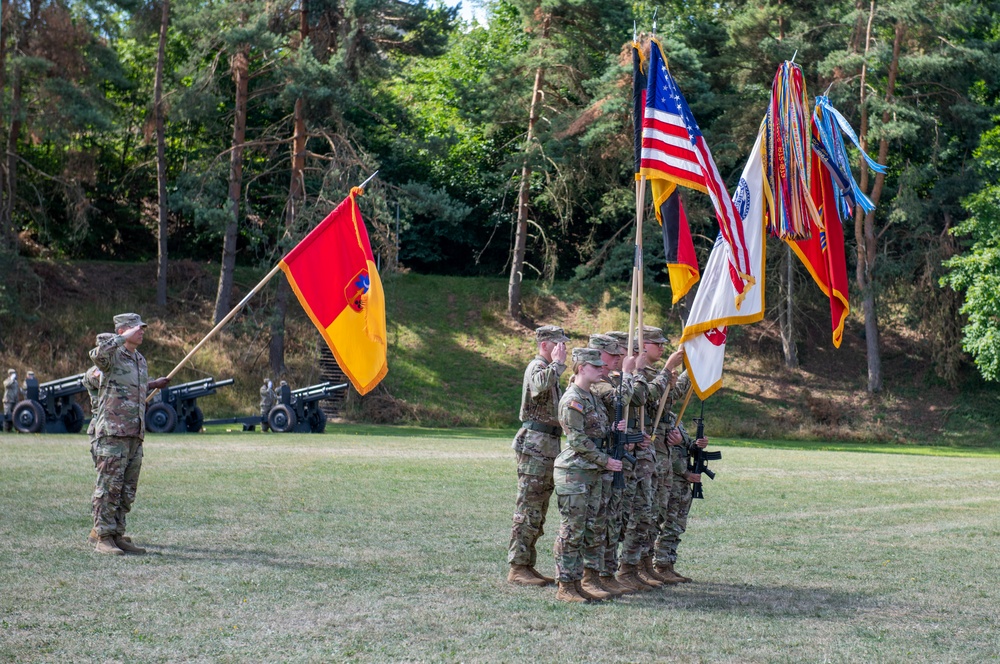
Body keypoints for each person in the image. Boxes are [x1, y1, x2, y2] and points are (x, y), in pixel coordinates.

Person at [89, 313, 169, 555]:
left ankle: (117, 534)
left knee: (126, 490)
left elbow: (134, 387)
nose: (142, 331)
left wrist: (154, 385)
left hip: (135, 433)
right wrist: (120, 338)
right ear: (123, 330)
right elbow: (96, 356)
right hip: (113, 433)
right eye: (137, 328)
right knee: (109, 487)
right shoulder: (111, 355)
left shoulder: (140, 360)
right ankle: (102, 536)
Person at [552, 347, 623, 603]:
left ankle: (579, 581)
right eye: (595, 366)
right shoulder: (573, 398)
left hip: (590, 472)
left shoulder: (591, 396)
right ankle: (565, 585)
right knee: (572, 530)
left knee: (589, 528)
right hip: (575, 473)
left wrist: (614, 428)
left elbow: (597, 431)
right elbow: (578, 440)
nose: (601, 369)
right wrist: (606, 460)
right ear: (581, 368)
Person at [507, 325, 569, 587]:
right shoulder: (537, 367)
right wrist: (557, 365)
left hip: (548, 443)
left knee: (539, 507)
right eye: (558, 344)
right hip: (535, 444)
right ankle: (518, 566)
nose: (563, 349)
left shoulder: (549, 368)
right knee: (528, 506)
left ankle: (526, 563)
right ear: (545, 344)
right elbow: (540, 385)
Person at [623, 326, 682, 586]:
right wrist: (667, 370)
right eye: (657, 343)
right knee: (639, 512)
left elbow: (666, 403)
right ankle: (629, 567)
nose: (662, 348)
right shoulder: (633, 374)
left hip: (655, 451)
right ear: (643, 345)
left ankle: (645, 563)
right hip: (639, 452)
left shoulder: (652, 374)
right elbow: (643, 397)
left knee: (654, 511)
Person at [587, 333, 645, 597]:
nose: (617, 359)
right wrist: (629, 374)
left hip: (613, 458)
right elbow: (621, 399)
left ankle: (607, 573)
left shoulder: (607, 380)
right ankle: (594, 574)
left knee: (613, 520)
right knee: (598, 521)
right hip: (599, 461)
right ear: (598, 354)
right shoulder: (596, 384)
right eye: (613, 355)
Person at [654, 369, 710, 583]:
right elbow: (669, 451)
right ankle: (660, 564)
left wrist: (696, 444)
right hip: (674, 479)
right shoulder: (661, 418)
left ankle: (668, 563)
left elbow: (682, 446)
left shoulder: (673, 418)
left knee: (677, 524)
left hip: (682, 481)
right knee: (669, 523)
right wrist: (686, 473)